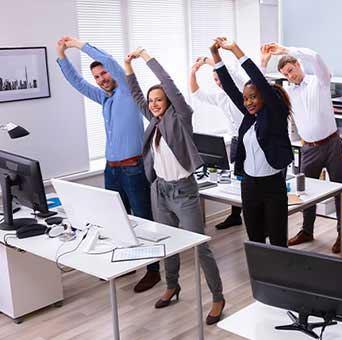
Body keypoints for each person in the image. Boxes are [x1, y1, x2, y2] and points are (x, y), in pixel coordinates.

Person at [124, 47, 225, 324]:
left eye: (159, 99)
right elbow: (135, 96)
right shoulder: (154, 121)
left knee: (199, 247)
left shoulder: (180, 117)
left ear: (168, 100)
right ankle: (172, 285)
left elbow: (168, 84)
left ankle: (217, 297)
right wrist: (128, 68)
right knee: (165, 242)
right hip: (161, 191)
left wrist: (146, 58)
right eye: (152, 101)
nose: (155, 104)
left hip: (184, 192)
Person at [56, 36, 160, 293]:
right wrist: (61, 55)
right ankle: (128, 263)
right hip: (112, 169)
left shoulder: (127, 90)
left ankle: (153, 270)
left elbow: (112, 62)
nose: (102, 79)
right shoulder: (105, 98)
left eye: (104, 74)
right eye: (98, 77)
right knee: (118, 220)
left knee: (142, 218)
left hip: (133, 167)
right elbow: (77, 83)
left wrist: (78, 45)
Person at [261, 43, 342, 254]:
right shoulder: (287, 92)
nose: (289, 76)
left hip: (331, 144)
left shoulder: (320, 81)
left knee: (340, 191)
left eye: (290, 70)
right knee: (306, 192)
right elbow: (261, 88)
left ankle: (341, 234)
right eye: (285, 74)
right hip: (308, 148)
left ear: (298, 64)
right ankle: (307, 230)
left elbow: (317, 57)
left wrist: (286, 50)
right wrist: (263, 64)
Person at [210, 38, 293, 247]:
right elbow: (228, 86)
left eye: (253, 97)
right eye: (246, 98)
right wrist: (216, 56)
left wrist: (235, 49)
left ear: (265, 97)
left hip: (272, 185)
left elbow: (259, 80)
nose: (248, 102)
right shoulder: (249, 117)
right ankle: (260, 280)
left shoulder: (275, 114)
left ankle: (280, 279)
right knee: (254, 240)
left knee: (277, 242)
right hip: (249, 186)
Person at [189, 56, 248, 230]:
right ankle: (236, 215)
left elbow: (229, 71)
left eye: (219, 78)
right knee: (238, 179)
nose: (218, 82)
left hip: (251, 140)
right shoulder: (220, 97)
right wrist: (193, 72)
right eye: (215, 79)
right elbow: (197, 94)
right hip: (236, 142)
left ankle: (261, 218)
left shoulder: (240, 90)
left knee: (253, 180)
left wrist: (208, 61)